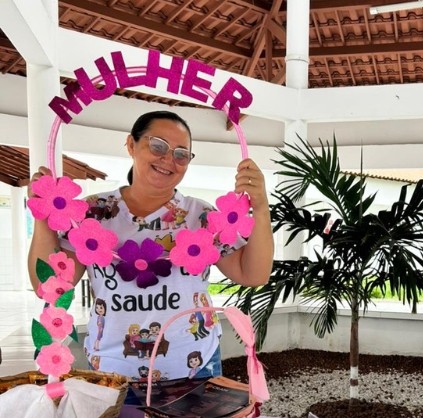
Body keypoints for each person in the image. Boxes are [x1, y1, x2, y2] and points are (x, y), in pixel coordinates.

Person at [28, 110, 274, 382]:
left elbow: (253, 274)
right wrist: (43, 216)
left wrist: (261, 208)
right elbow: (49, 285)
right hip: (112, 371)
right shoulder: (91, 212)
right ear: (131, 145)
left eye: (181, 154)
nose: (168, 159)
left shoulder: (201, 215)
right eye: (158, 145)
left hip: (195, 366)